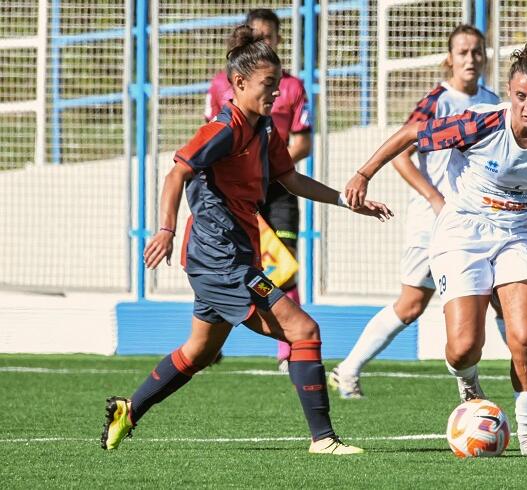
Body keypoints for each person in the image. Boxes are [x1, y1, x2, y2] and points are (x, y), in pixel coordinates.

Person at [101, 26, 392, 455]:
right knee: (303, 329)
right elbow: (176, 172)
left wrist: (348, 202)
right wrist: (165, 228)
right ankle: (324, 440)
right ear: (239, 84)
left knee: (199, 352)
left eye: (277, 85)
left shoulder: (265, 129)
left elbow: (289, 178)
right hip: (221, 260)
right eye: (268, 85)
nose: (276, 94)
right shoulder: (224, 127)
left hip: (228, 256)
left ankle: (130, 408)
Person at [344, 40, 527, 456]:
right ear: (510, 93)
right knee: (463, 347)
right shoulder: (481, 123)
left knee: (524, 338)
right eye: (519, 96)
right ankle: (468, 383)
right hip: (463, 230)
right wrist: (362, 174)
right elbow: (411, 133)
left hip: (518, 233)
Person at [328, 25, 499, 400]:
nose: (471, 58)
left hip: (474, 220)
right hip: (433, 221)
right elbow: (402, 154)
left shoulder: (493, 100)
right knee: (410, 305)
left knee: (502, 292)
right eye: (463, 52)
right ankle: (348, 368)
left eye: (477, 51)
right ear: (448, 59)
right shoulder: (438, 101)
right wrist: (437, 200)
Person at [206, 9, 310, 371]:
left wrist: (268, 169)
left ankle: (288, 351)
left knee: (284, 264)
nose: (264, 41)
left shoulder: (292, 86)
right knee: (229, 264)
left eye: (270, 35)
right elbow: (207, 147)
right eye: (257, 35)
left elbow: (303, 141)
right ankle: (210, 341)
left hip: (277, 188)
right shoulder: (222, 84)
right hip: (237, 194)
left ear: (280, 39)